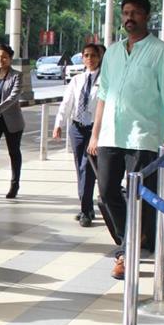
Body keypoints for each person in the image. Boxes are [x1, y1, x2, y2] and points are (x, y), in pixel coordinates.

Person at [88, 0, 164, 280]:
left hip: (143, 137)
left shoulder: (161, 52)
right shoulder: (113, 53)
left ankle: (125, 253)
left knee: (138, 199)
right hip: (110, 136)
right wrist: (95, 134)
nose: (129, 18)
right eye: (126, 13)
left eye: (136, 13)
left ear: (146, 17)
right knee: (106, 192)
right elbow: (103, 95)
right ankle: (132, 237)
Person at [52, 43, 104, 226]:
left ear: (99, 58)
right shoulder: (77, 80)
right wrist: (59, 124)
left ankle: (85, 211)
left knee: (87, 169)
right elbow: (67, 103)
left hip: (94, 129)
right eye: (86, 56)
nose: (90, 59)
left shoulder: (105, 80)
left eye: (93, 55)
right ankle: (87, 207)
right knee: (80, 168)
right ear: (82, 58)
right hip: (77, 128)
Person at [0, 42, 24, 199]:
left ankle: (14, 184)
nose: (0, 60)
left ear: (10, 58)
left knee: (14, 153)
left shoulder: (17, 75)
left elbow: (13, 97)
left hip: (12, 121)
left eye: (4, 57)